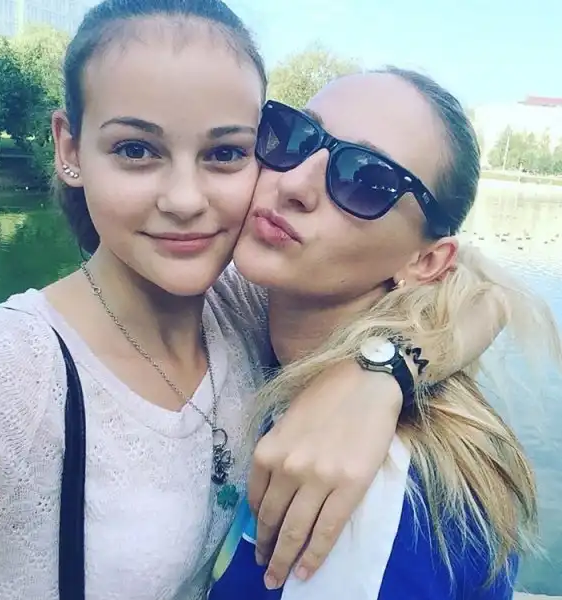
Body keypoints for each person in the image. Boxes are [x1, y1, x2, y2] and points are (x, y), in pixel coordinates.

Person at [0, 2, 505, 599]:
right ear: (70, 148)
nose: (185, 200)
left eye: (225, 153)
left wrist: (378, 376)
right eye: (136, 150)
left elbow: (486, 291)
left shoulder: (249, 311)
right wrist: (381, 374)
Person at [208, 69, 562, 599]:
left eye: (366, 180)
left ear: (426, 262)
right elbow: (485, 288)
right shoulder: (257, 326)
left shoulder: (370, 491)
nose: (295, 183)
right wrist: (385, 369)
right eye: (293, 134)